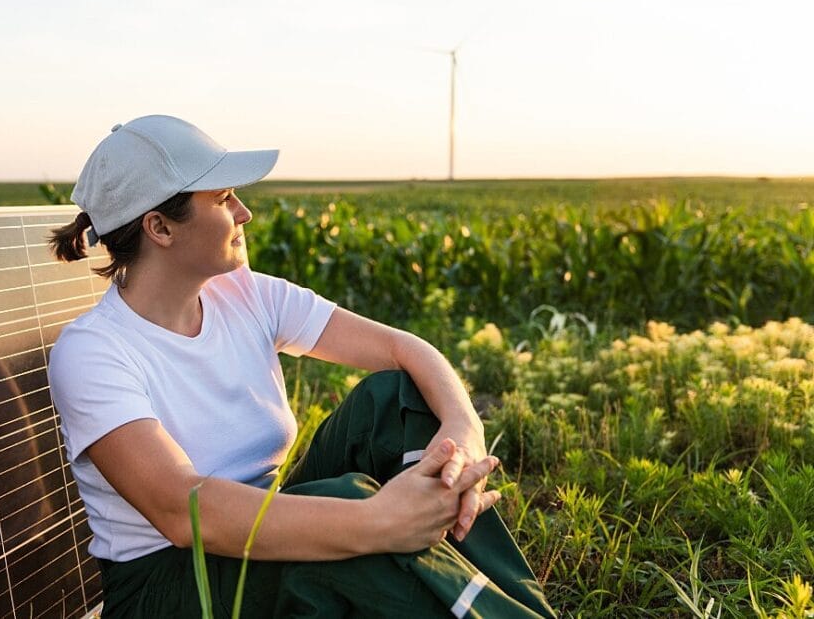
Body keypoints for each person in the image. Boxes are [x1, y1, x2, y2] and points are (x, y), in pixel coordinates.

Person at [47, 115, 554, 618]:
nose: (244, 212)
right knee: (347, 518)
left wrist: (465, 428)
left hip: (258, 527)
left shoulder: (246, 294)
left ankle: (523, 611)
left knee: (394, 400)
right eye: (224, 199)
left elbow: (405, 350)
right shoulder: (93, 352)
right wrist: (374, 521)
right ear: (159, 227)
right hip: (172, 582)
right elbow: (184, 510)